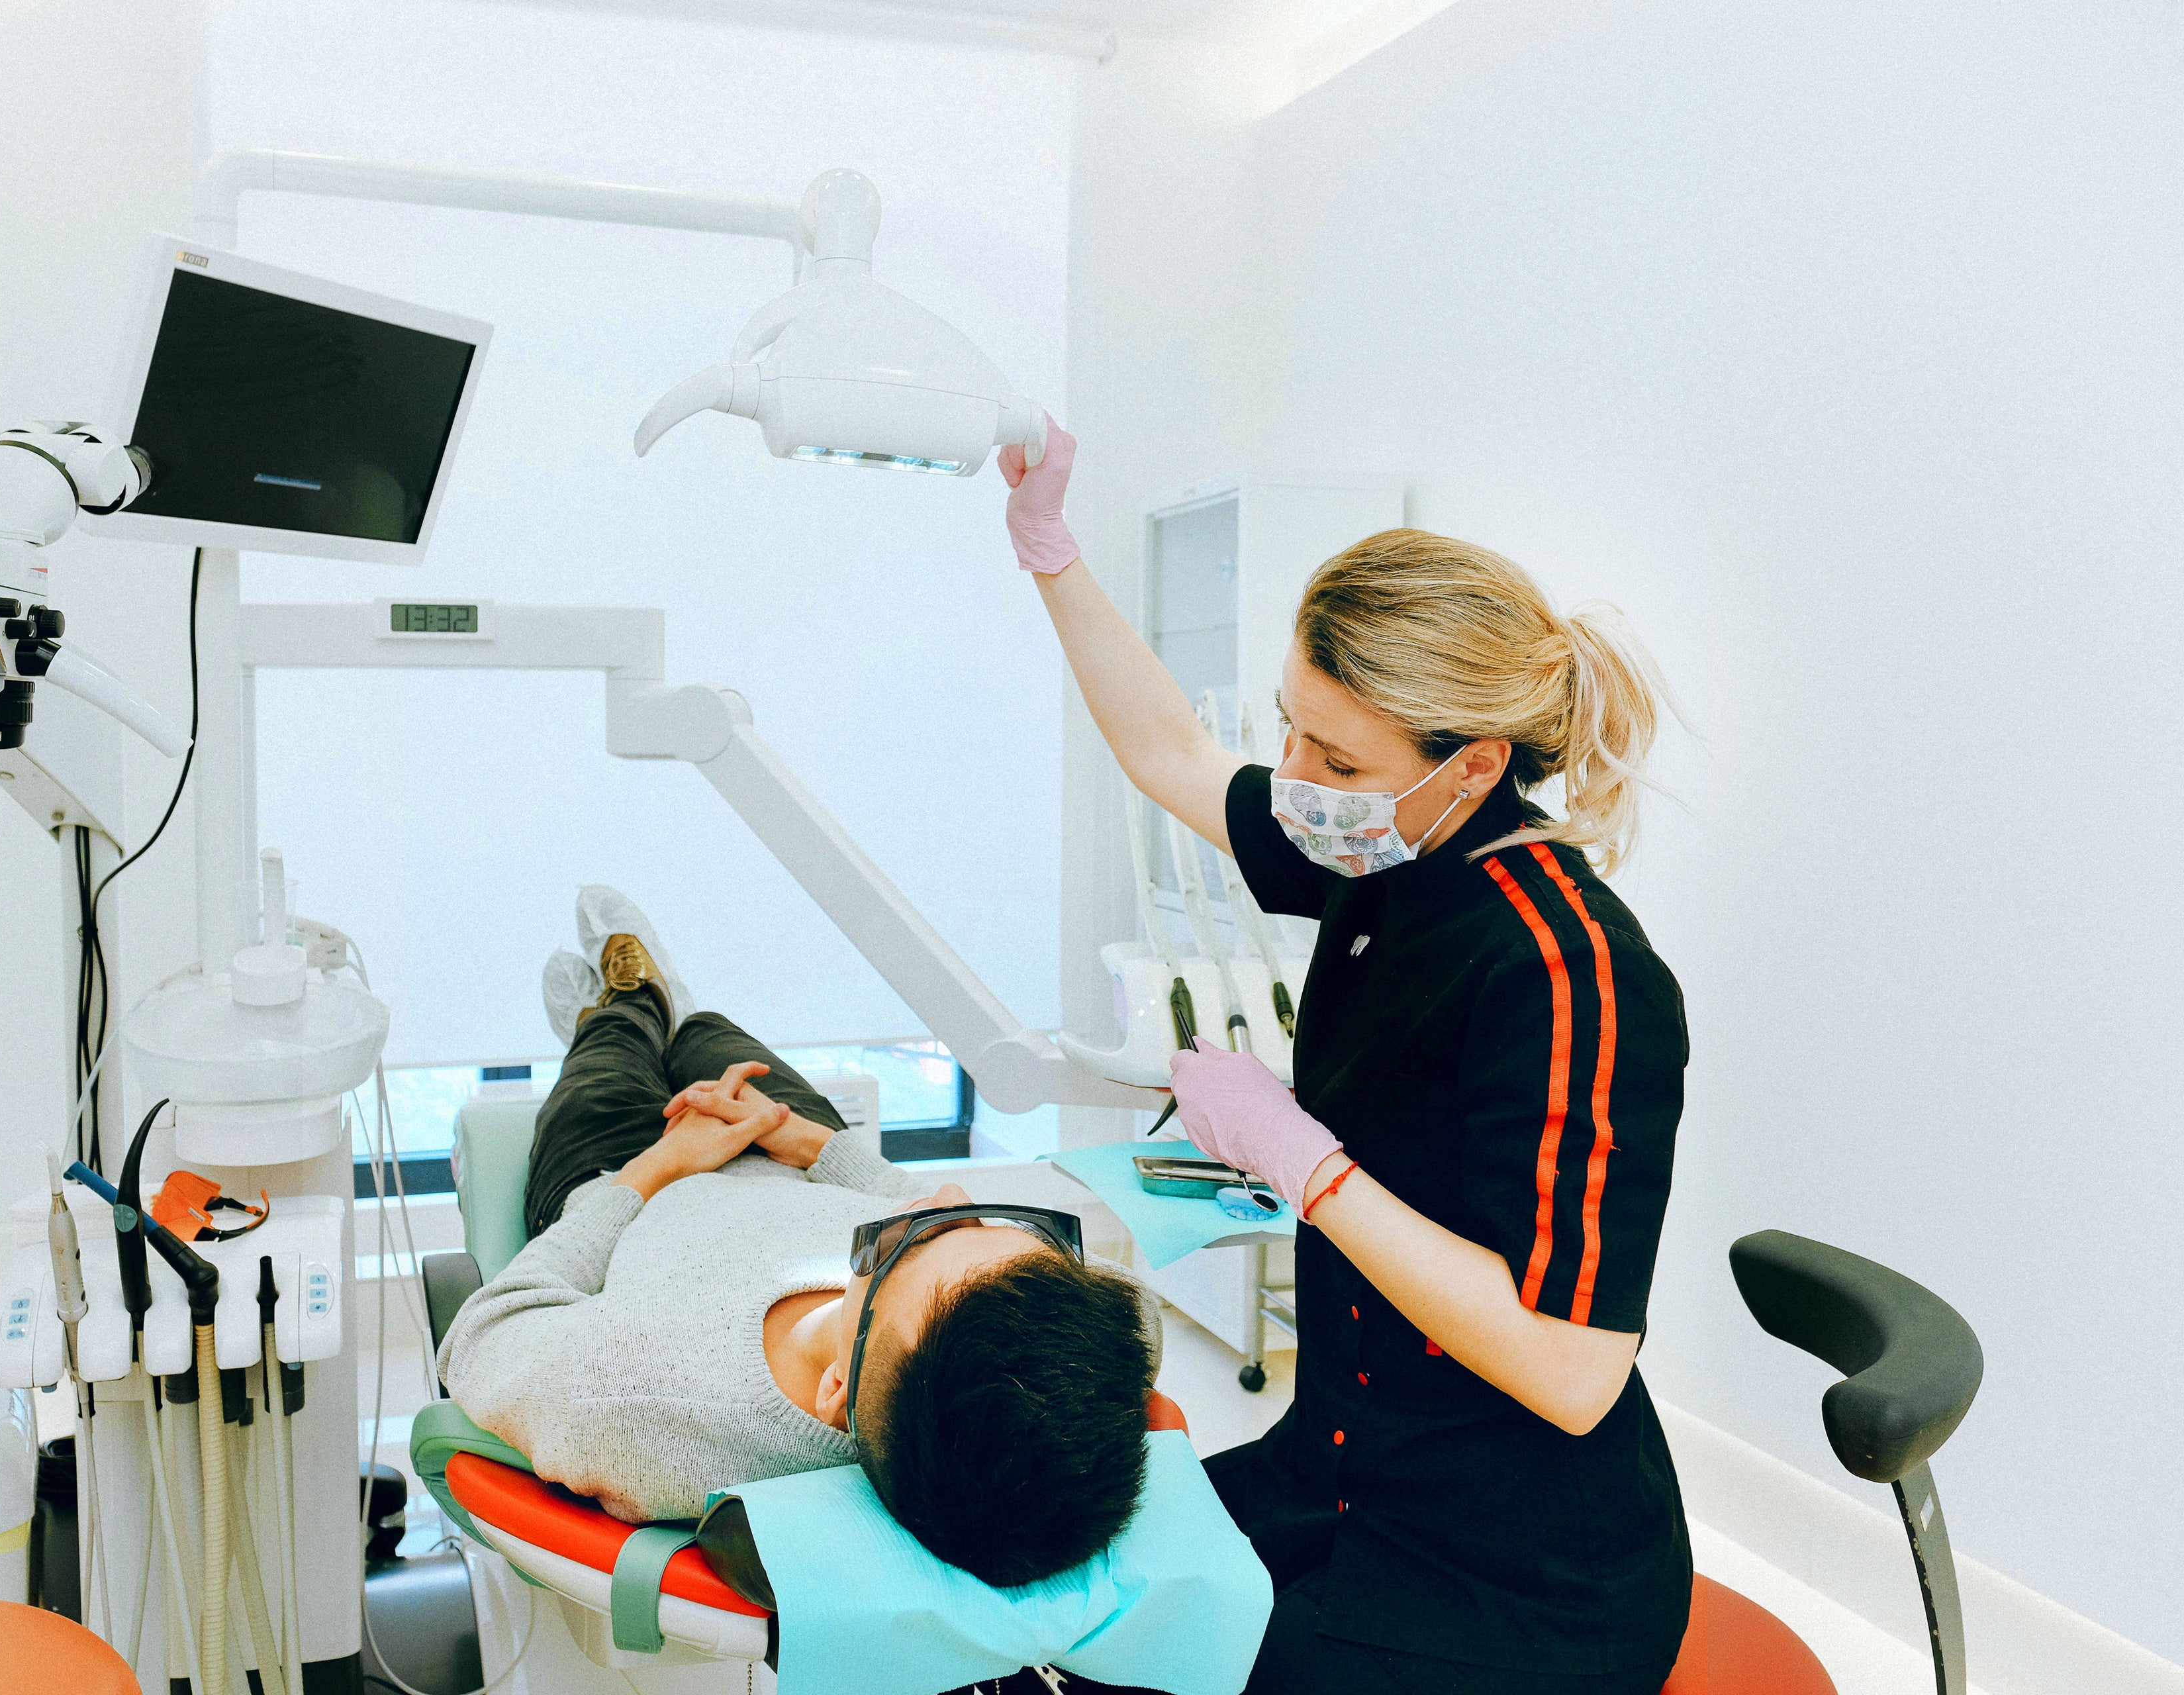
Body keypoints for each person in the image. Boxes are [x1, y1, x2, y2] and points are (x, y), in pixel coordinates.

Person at [1000, 428, 1693, 1691]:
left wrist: (1303, 1162)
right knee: (1042, 1601)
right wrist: (1052, 555)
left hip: (1525, 1584)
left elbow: (1575, 1370)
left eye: (1337, 760)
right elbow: (1170, 755)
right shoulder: (1380, 853)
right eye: (1294, 733)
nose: (1299, 781)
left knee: (1119, 1667)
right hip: (1340, 1469)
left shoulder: (1574, 972)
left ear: (1473, 767)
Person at [434, 886, 1159, 1588]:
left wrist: (662, 1162)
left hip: (619, 1168)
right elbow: (1140, 1320)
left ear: (837, 1390)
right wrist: (809, 1142)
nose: (944, 1192)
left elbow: (482, 1335)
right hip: (793, 1155)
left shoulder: (627, 1405)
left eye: (925, 1235)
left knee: (614, 1046)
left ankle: (627, 1003)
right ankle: (677, 1010)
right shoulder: (987, 1361)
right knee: (714, 1036)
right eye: (1001, 1225)